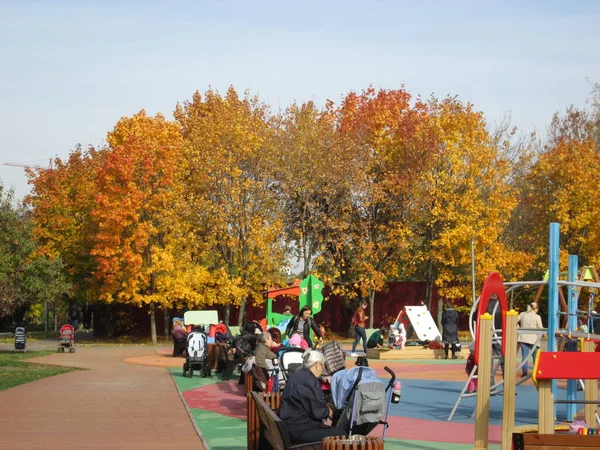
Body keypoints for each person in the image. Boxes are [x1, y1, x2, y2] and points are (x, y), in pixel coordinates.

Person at [279, 349, 346, 443]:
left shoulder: (298, 374)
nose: (323, 370)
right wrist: (329, 412)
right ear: (317, 365)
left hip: (291, 425)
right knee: (341, 433)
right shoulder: (309, 380)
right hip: (297, 429)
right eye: (323, 366)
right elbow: (318, 412)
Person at [517, 301, 543, 378]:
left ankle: (524, 373)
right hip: (534, 339)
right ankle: (535, 372)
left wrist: (518, 327)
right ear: (536, 309)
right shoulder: (537, 317)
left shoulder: (522, 314)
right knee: (535, 356)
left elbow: (515, 320)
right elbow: (540, 328)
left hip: (523, 337)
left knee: (524, 356)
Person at [486, 293, 505, 379]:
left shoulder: (484, 305)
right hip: (499, 334)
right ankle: (507, 385)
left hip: (487, 335)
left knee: (488, 362)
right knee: (503, 358)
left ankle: (490, 387)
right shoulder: (500, 306)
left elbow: (475, 316)